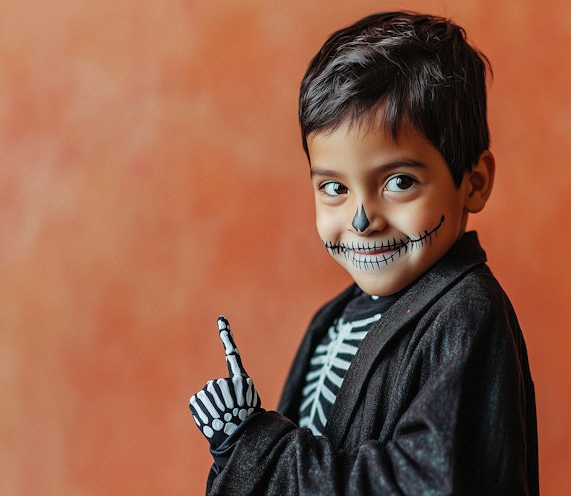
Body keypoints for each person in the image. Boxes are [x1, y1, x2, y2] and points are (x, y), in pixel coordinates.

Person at [189, 11, 539, 495]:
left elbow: (423, 484)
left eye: (399, 182)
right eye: (334, 187)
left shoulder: (466, 316)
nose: (360, 219)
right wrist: (235, 443)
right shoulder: (332, 320)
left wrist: (255, 444)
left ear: (473, 183)